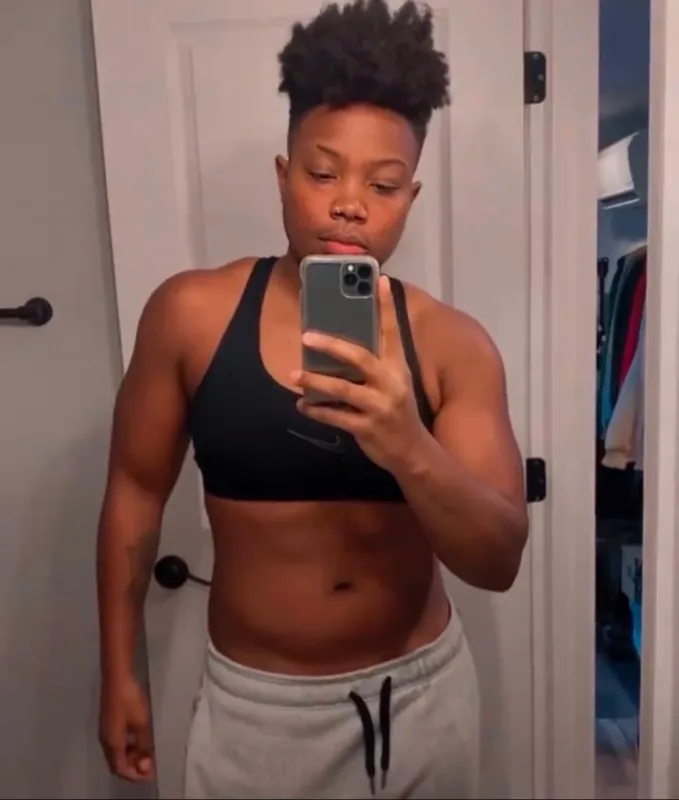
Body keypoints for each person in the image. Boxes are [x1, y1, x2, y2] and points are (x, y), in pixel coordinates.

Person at [96, 0, 529, 797]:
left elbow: (497, 559)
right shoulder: (190, 316)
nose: (348, 203)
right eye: (322, 173)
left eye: (383, 183)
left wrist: (408, 446)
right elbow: (134, 491)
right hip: (254, 715)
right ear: (283, 175)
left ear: (409, 197)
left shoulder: (453, 345)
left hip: (419, 703)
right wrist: (119, 670)